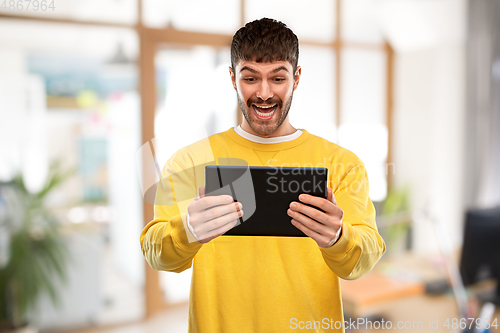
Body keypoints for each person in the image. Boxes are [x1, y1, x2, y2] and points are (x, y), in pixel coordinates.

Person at [140, 18, 386, 333]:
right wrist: (186, 229)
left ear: (296, 78)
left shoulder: (342, 164)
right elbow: (157, 255)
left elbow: (362, 260)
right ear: (232, 79)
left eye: (278, 78)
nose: (264, 93)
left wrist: (338, 238)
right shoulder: (190, 160)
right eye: (251, 77)